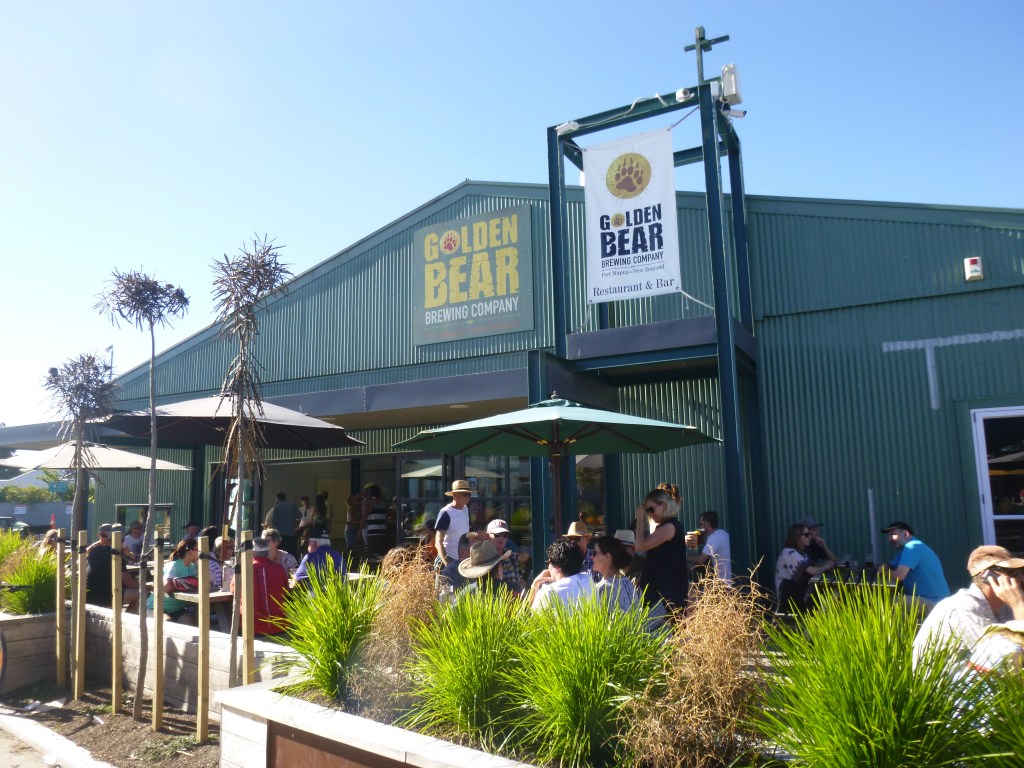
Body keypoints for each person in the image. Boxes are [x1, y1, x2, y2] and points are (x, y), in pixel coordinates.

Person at [912, 545, 1024, 668]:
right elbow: (1007, 659)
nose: (1021, 578)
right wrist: (1019, 605)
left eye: (1020, 571)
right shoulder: (963, 607)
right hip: (944, 684)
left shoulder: (1003, 606)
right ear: (986, 575)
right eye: (1012, 572)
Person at [634, 485, 688, 613]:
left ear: (663, 506)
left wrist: (640, 519)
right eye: (647, 511)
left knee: (652, 631)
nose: (650, 514)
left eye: (651, 509)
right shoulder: (666, 526)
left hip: (664, 598)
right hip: (661, 595)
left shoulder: (670, 527)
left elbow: (640, 546)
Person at [877, 521, 950, 612]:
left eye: (893, 535)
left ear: (905, 534)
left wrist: (883, 572)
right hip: (932, 601)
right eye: (889, 536)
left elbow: (899, 575)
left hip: (935, 603)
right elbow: (891, 565)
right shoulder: (907, 550)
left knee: (890, 601)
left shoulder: (912, 547)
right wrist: (885, 566)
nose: (889, 539)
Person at [231, 537, 289, 635]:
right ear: (268, 552)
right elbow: (286, 590)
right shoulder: (280, 569)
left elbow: (233, 590)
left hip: (252, 628)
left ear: (251, 553)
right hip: (279, 626)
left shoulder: (243, 570)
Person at [775, 523, 835, 612]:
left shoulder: (801, 553)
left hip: (798, 591)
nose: (810, 537)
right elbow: (811, 570)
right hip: (789, 597)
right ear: (797, 537)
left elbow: (813, 567)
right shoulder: (789, 552)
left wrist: (825, 565)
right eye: (807, 535)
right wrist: (826, 566)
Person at [529, 538, 595, 611]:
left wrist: (535, 585)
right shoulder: (589, 582)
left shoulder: (548, 592)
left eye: (548, 563)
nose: (548, 567)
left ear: (557, 567)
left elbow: (530, 618)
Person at [86, 523, 140, 612]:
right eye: (103, 536)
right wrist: (148, 587)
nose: (105, 539)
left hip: (89, 596)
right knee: (141, 594)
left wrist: (126, 553)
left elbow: (133, 559)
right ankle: (123, 623)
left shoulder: (95, 550)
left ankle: (119, 620)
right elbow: (129, 583)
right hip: (102, 597)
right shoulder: (114, 555)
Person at [148, 538, 201, 625]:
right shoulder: (173, 565)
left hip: (177, 608)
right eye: (198, 550)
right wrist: (183, 584)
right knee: (168, 623)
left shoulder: (192, 566)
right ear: (191, 552)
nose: (200, 553)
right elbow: (166, 587)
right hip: (157, 607)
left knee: (190, 625)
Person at [592, 535, 640, 612]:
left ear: (607, 556)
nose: (591, 557)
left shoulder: (603, 589)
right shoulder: (628, 582)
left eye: (594, 553)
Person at [434, 480, 472, 569]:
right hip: (447, 559)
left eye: (468, 494)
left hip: (462, 560)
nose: (467, 497)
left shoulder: (466, 510)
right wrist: (447, 563)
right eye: (464, 494)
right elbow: (438, 542)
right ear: (455, 495)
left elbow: (467, 534)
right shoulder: (446, 513)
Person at [686, 509, 732, 581]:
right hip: (727, 579)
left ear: (706, 524)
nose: (700, 526)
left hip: (720, 582)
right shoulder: (723, 533)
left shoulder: (713, 537)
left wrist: (683, 557)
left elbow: (701, 560)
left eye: (700, 524)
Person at [486, 518, 522, 594]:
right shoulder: (482, 558)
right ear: (487, 536)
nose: (501, 538)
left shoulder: (512, 557)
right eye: (497, 535)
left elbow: (517, 584)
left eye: (505, 535)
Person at [360, 484, 389, 557]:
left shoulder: (368, 503)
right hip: (383, 532)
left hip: (372, 533)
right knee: (382, 555)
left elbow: (364, 518)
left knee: (372, 555)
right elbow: (386, 515)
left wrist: (359, 532)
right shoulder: (384, 502)